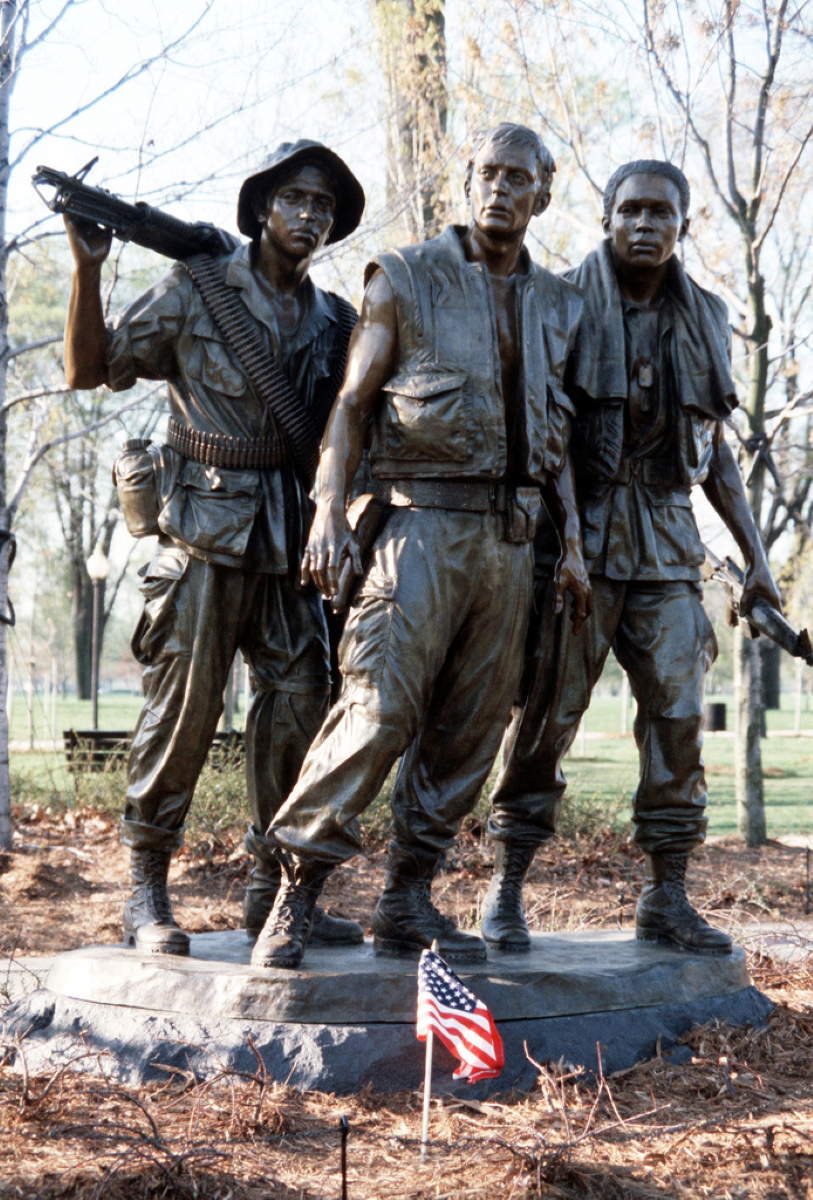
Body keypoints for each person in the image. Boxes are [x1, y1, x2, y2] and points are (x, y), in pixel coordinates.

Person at [251, 122, 591, 971]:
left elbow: (555, 436)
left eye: (519, 178)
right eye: (488, 173)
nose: (500, 189)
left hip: (510, 543)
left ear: (543, 195)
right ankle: (295, 895)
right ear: (467, 181)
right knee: (376, 710)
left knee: (468, 730)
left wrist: (573, 545)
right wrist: (328, 511)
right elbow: (350, 404)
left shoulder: (559, 303)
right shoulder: (403, 275)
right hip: (418, 528)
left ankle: (407, 898)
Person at [63, 140, 367, 955]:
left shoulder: (337, 321)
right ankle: (145, 893)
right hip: (202, 533)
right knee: (182, 715)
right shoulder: (195, 289)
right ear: (261, 207)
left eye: (324, 206)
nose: (310, 215)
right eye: (296, 198)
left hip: (291, 541)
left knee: (300, 706)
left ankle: (274, 894)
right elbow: (90, 369)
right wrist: (88, 269)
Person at [482, 159, 782, 955]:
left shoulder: (707, 313)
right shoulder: (559, 301)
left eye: (660, 213)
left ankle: (666, 895)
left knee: (679, 720)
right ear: (606, 217)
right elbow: (545, 434)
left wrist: (754, 557)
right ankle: (505, 886)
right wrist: (568, 543)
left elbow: (714, 452)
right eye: (631, 211)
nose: (644, 225)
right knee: (546, 719)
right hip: (575, 538)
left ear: (683, 225)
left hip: (668, 540)